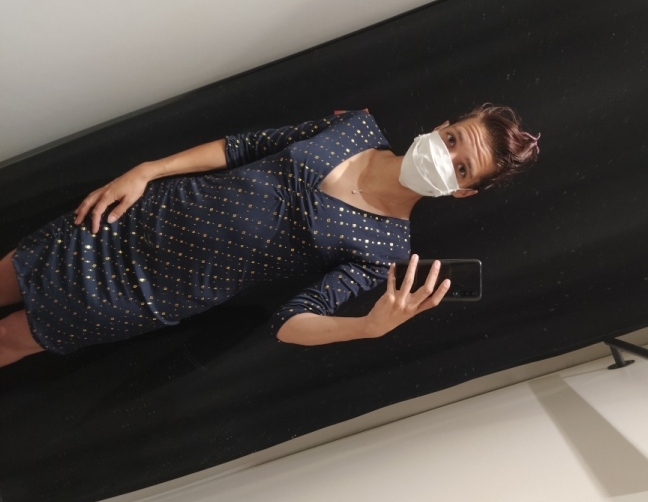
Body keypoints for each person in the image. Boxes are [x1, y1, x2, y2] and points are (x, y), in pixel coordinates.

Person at [0, 105, 539, 368]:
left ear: (463, 192)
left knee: (9, 339)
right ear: (442, 126)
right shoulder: (355, 127)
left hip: (150, 291)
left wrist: (367, 328)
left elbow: (289, 323)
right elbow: (242, 146)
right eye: (452, 139)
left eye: (462, 168)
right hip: (135, 217)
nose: (445, 156)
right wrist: (147, 170)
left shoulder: (386, 250)